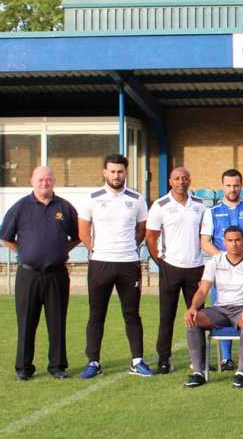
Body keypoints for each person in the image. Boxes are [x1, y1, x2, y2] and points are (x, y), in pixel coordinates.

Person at [1, 166, 80, 380]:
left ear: (54, 181)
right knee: (26, 322)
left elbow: (78, 236)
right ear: (32, 181)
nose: (45, 183)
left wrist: (61, 250)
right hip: (29, 275)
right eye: (40, 180)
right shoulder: (20, 207)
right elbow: (5, 238)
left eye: (48, 179)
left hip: (57, 275)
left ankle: (57, 366)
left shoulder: (64, 207)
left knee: (57, 321)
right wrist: (25, 251)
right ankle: (24, 368)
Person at [77, 154, 151, 379]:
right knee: (96, 314)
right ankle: (93, 361)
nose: (116, 175)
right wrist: (97, 251)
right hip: (100, 263)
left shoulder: (137, 199)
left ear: (126, 172)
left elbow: (141, 230)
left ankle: (137, 360)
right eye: (112, 171)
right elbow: (83, 231)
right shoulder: (92, 198)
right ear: (104, 172)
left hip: (128, 263)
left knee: (132, 313)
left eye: (120, 171)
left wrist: (127, 248)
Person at [182, 226, 243, 388]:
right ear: (223, 242)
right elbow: (203, 289)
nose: (234, 244)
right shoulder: (214, 262)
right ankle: (198, 372)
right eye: (230, 240)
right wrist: (193, 307)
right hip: (220, 309)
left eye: (238, 240)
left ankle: (240, 373)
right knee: (194, 319)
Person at [145, 167, 207, 375]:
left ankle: (199, 359)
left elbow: (205, 235)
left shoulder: (199, 205)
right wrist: (161, 262)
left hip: (196, 267)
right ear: (170, 181)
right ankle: (164, 359)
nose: (181, 182)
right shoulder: (160, 205)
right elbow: (151, 238)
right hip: (170, 267)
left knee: (198, 315)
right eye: (177, 178)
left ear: (190, 181)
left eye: (185, 178)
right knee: (167, 316)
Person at [201, 168, 243, 371]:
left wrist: (239, 255)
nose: (232, 189)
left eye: (236, 185)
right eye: (228, 185)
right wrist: (223, 258)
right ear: (222, 186)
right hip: (222, 270)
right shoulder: (212, 212)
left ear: (241, 186)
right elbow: (205, 241)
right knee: (222, 308)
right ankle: (226, 358)